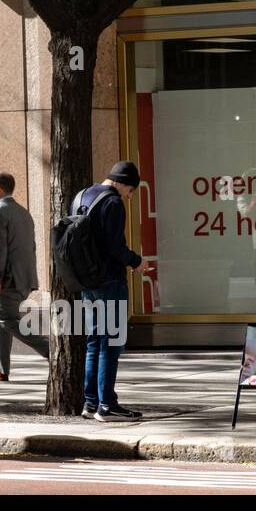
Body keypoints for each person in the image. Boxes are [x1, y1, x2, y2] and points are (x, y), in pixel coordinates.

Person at [73, 161, 152, 421]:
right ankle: (107, 405)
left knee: (94, 341)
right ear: (122, 183)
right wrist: (136, 261)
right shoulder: (113, 202)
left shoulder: (82, 195)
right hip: (110, 282)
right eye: (130, 191)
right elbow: (114, 247)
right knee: (112, 342)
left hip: (88, 282)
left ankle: (90, 403)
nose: (128, 197)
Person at [0, 172, 46, 382]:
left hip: (7, 279)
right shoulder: (24, 213)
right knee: (0, 320)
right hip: (24, 278)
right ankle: (0, 367)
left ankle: (53, 351)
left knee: (8, 320)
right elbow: (31, 247)